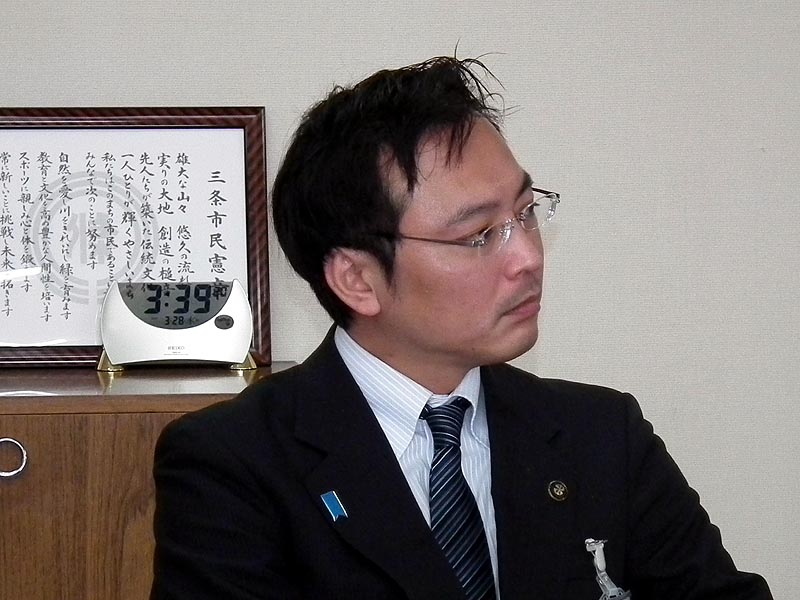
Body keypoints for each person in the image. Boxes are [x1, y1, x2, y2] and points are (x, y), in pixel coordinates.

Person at [150, 57, 773, 599]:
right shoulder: (233, 464)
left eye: (526, 213)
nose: (528, 256)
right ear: (357, 280)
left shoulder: (604, 436)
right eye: (479, 235)